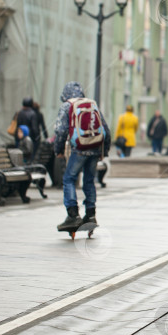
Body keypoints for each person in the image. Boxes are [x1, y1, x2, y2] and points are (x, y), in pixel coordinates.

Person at [54, 82, 111, 232]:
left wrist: (58, 150)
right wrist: (104, 151)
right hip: (95, 148)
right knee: (89, 181)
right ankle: (91, 215)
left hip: (79, 148)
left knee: (68, 179)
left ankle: (73, 215)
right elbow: (105, 129)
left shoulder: (66, 106)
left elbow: (61, 131)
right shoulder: (91, 105)